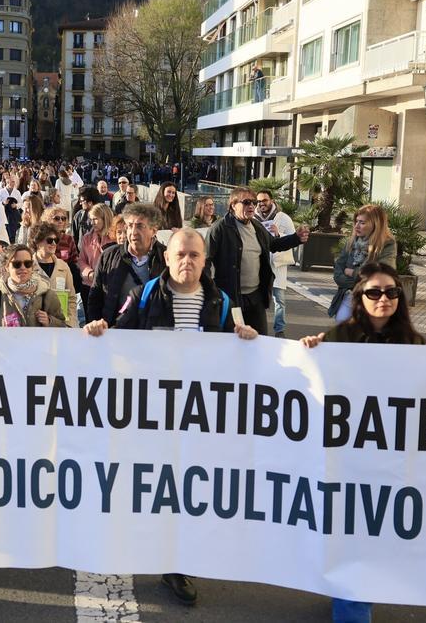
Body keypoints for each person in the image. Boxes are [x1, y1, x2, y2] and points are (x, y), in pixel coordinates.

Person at [83, 228, 258, 607]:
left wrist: (245, 336)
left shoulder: (222, 302)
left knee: (185, 494)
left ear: (205, 260)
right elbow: (117, 340)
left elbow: (238, 346)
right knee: (144, 488)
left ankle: (176, 566)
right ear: (167, 257)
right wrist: (100, 330)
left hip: (196, 420)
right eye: (180, 254)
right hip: (150, 417)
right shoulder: (143, 296)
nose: (187, 261)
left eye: (195, 255)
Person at [299, 261, 426, 623]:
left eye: (391, 292)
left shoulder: (414, 343)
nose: (383, 298)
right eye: (374, 292)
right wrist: (310, 350)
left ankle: (352, 597)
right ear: (360, 297)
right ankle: (351, 603)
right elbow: (313, 382)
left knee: (371, 537)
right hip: (347, 458)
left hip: (390, 462)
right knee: (351, 534)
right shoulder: (339, 338)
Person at [205, 186, 309, 334]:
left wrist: (295, 238)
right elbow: (205, 260)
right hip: (231, 297)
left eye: (254, 202)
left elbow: (273, 244)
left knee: (259, 338)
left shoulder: (257, 227)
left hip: (255, 297)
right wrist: (210, 290)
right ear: (233, 205)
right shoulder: (219, 229)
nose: (252, 206)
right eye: (246, 202)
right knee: (233, 339)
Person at [88, 203, 167, 325]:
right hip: (115, 329)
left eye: (140, 226)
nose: (133, 232)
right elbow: (95, 298)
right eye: (130, 226)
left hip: (153, 331)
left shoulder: (167, 257)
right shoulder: (109, 256)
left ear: (154, 230)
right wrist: (98, 326)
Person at [330, 204, 396, 323]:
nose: (356, 226)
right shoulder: (352, 242)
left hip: (372, 300)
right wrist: (361, 280)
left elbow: (381, 274)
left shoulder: (387, 244)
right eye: (356, 221)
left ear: (375, 224)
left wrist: (353, 272)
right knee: (342, 323)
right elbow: (338, 272)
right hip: (348, 296)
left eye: (362, 222)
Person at [0, 243, 67, 327]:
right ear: (7, 267)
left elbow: (63, 326)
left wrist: (49, 321)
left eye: (27, 264)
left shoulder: (47, 295)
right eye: (17, 264)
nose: (23, 268)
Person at [255, 189, 296, 336]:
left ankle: (279, 329)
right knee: (257, 298)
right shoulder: (253, 218)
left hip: (277, 264)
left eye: (264, 200)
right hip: (258, 264)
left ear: (272, 201)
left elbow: (293, 239)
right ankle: (257, 327)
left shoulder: (283, 218)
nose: (261, 204)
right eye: (259, 201)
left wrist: (278, 234)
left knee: (279, 299)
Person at [30, 223, 78, 327]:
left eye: (56, 240)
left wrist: (70, 324)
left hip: (60, 325)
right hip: (35, 326)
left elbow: (71, 299)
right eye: (49, 240)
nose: (53, 243)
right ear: (37, 242)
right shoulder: (28, 266)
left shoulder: (63, 266)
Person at [79, 204, 116, 291]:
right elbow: (81, 260)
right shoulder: (87, 238)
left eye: (95, 219)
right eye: (91, 219)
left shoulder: (115, 237)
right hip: (90, 284)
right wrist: (89, 273)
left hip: (110, 285)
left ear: (105, 218)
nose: (92, 223)